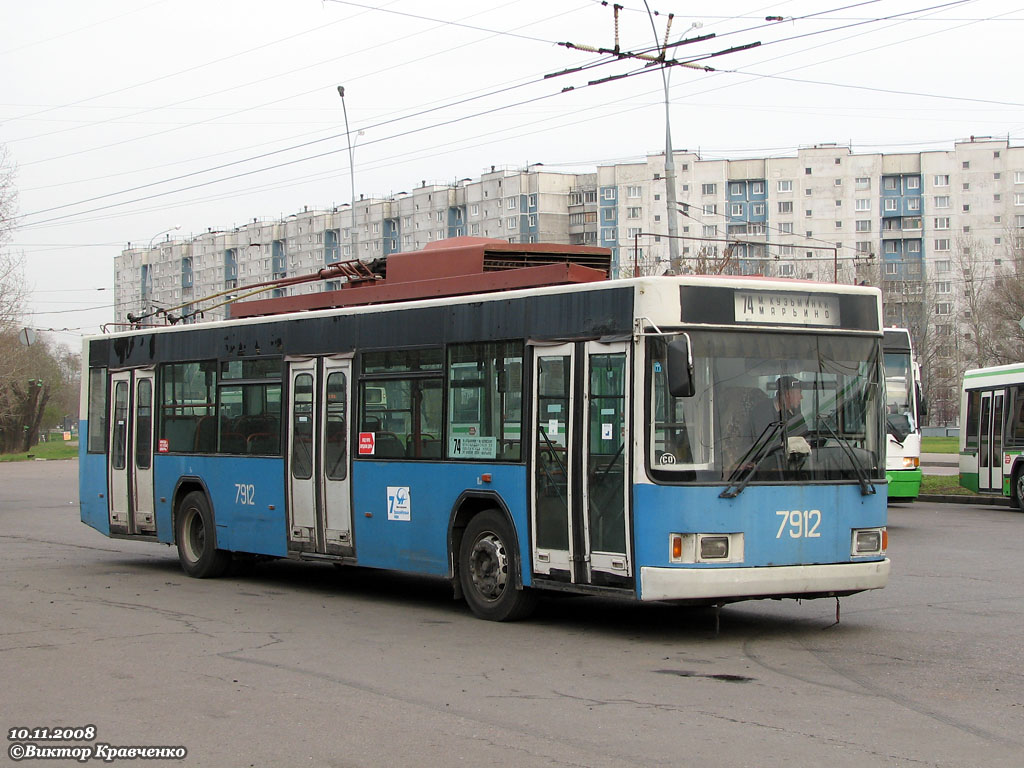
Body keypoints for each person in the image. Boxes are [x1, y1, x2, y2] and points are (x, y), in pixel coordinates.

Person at [749, 375, 808, 441]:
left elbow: (805, 435)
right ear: (788, 394)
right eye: (799, 393)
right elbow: (764, 445)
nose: (801, 397)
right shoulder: (761, 412)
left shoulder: (795, 412)